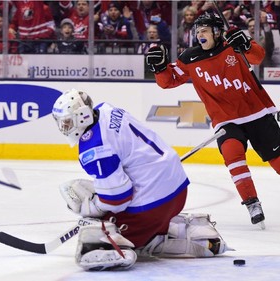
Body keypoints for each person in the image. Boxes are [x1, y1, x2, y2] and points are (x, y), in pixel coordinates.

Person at [145, 12, 280, 229]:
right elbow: (168, 82)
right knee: (233, 156)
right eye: (197, 31)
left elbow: (258, 57)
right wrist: (159, 68)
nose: (200, 35)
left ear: (216, 31)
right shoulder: (189, 58)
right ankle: (252, 203)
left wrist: (247, 44)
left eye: (204, 30)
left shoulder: (233, 46)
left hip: (256, 113)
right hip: (226, 120)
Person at [51, 89, 230, 271]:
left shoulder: (94, 148)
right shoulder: (106, 110)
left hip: (155, 205)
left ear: (82, 116)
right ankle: (176, 231)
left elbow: (118, 199)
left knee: (98, 233)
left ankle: (141, 241)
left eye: (67, 122)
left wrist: (92, 207)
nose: (64, 128)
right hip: (177, 189)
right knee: (110, 210)